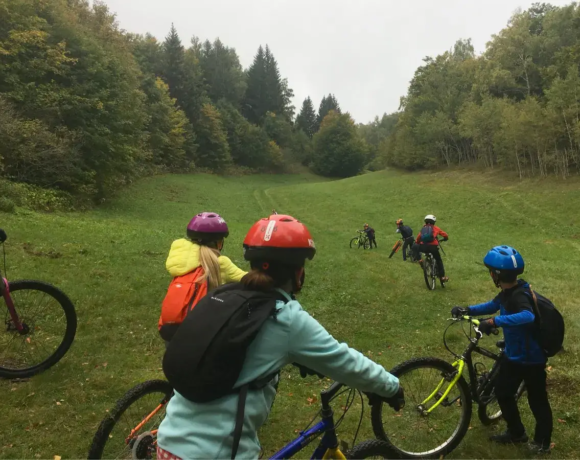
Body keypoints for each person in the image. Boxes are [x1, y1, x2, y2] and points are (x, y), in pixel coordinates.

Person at [156, 215, 404, 459]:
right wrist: (391, 387)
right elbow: (344, 360)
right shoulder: (285, 318)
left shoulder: (224, 295)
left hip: (169, 442)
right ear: (298, 271)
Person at [451, 246, 552, 454]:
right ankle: (517, 432)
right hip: (513, 355)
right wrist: (468, 310)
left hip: (531, 359)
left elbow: (527, 316)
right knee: (504, 393)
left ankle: (542, 443)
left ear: (496, 274)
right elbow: (492, 304)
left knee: (537, 401)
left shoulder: (520, 296)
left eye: (491, 271)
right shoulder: (508, 293)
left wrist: (494, 321)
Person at [159, 212, 247, 342]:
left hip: (172, 328)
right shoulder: (220, 263)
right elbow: (247, 278)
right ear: (219, 243)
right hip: (200, 330)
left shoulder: (180, 257)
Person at [412, 215, 448, 282]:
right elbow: (445, 235)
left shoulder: (424, 229)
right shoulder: (436, 228)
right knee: (438, 260)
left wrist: (418, 242)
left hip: (423, 247)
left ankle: (420, 260)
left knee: (416, 246)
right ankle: (442, 277)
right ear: (434, 222)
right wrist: (445, 238)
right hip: (433, 247)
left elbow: (418, 239)